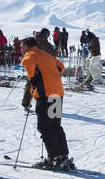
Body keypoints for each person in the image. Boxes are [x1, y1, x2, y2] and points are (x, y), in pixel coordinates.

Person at [20, 36, 72, 169]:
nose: (21, 49)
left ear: (27, 46)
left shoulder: (29, 57)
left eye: (22, 46)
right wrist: (51, 75)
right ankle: (63, 155)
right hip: (57, 92)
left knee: (45, 127)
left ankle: (54, 158)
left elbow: (31, 79)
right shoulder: (46, 55)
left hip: (45, 95)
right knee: (55, 125)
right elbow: (61, 68)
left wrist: (29, 97)